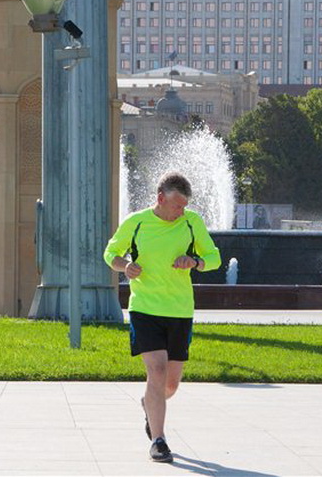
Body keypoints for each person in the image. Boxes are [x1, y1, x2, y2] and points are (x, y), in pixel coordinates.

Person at [104, 172, 220, 463]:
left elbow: (215, 258)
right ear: (160, 198)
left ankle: (149, 404)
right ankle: (159, 440)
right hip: (145, 308)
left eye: (184, 206)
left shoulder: (192, 222)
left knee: (170, 385)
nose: (181, 211)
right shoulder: (137, 221)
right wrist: (125, 266)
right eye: (177, 206)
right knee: (155, 371)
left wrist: (194, 261)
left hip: (180, 310)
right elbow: (111, 253)